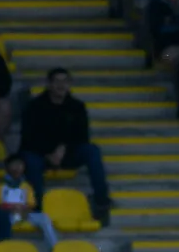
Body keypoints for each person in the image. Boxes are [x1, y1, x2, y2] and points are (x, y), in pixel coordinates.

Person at [19, 68, 111, 216]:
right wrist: (49, 153)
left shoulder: (77, 107)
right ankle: (37, 206)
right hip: (40, 153)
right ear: (49, 84)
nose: (61, 85)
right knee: (30, 159)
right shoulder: (34, 106)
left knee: (92, 150)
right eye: (57, 81)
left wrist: (63, 149)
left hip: (67, 154)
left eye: (65, 81)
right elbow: (28, 138)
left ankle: (101, 200)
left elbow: (82, 137)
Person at [0, 154, 58, 248]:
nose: (17, 168)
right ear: (8, 167)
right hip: (8, 215)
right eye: (14, 164)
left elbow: (31, 204)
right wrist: (13, 208)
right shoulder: (1, 186)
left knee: (44, 218)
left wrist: (22, 209)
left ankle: (54, 247)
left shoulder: (26, 186)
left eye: (20, 165)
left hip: (25, 214)